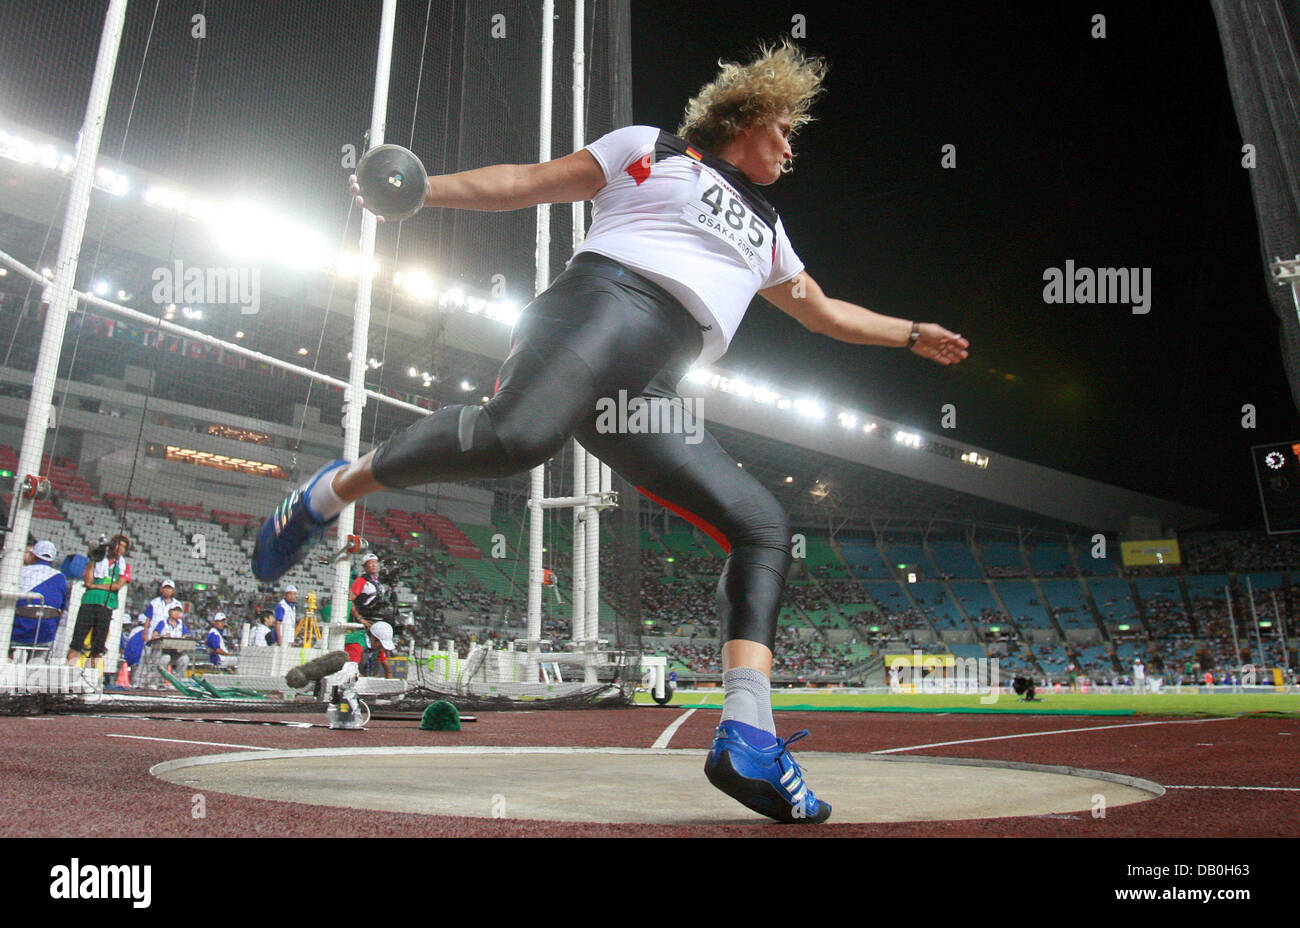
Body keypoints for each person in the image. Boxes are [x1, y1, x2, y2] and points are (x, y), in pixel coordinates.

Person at [252, 40, 968, 825]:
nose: (792, 148)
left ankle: (749, 735)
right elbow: (529, 183)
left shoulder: (770, 232)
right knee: (517, 439)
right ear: (752, 113)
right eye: (787, 128)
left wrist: (910, 333)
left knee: (762, 522)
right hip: (596, 310)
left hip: (653, 381)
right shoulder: (649, 148)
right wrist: (425, 191)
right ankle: (330, 491)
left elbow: (825, 312)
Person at [67, 534, 131, 669]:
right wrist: (92, 559)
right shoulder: (98, 559)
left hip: (106, 605)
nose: (120, 549)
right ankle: (69, 671)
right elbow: (87, 580)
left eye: (124, 547)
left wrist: (96, 586)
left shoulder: (124, 565)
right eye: (119, 545)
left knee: (98, 646)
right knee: (77, 642)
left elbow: (117, 585)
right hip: (89, 602)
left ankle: (91, 675)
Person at [13, 540, 68, 654]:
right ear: (52, 560)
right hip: (45, 634)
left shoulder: (20, 572)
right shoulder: (61, 578)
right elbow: (61, 609)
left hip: (17, 632)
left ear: (33, 556)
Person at [150, 604, 191, 683]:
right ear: (170, 612)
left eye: (178, 611)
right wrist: (162, 636)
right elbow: (153, 636)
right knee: (166, 658)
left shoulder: (181, 624)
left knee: (185, 659)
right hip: (161, 652)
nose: (176, 613)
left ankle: (176, 682)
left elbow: (186, 636)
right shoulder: (163, 622)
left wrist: (183, 639)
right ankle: (157, 682)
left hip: (175, 652)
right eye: (174, 610)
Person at [142, 578, 182, 644]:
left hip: (169, 637)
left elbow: (179, 620)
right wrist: (145, 633)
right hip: (153, 636)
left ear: (173, 590)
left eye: (169, 588)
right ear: (161, 589)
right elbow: (148, 619)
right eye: (165, 588)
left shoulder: (177, 604)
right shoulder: (154, 602)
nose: (167, 590)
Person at [349, 553, 387, 620]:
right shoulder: (361, 580)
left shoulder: (378, 582)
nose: (374, 565)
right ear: (365, 566)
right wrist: (360, 618)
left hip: (378, 617)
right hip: (365, 618)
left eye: (375, 562)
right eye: (371, 562)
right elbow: (349, 600)